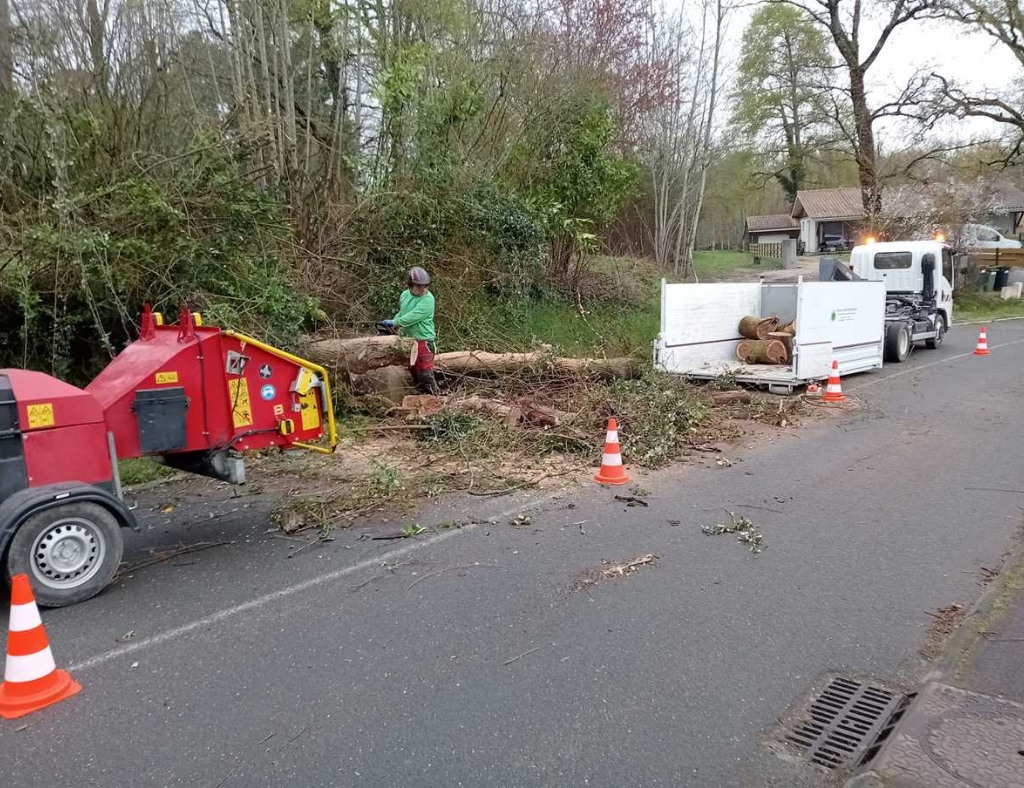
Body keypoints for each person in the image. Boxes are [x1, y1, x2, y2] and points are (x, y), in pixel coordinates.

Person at [378, 266, 438, 395]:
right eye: (419, 286)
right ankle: (419, 400)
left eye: (425, 286)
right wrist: (393, 323)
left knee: (425, 373)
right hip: (407, 340)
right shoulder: (405, 295)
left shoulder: (428, 299)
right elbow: (403, 312)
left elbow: (414, 316)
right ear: (411, 284)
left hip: (423, 340)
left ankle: (435, 398)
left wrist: (395, 322)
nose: (423, 289)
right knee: (412, 372)